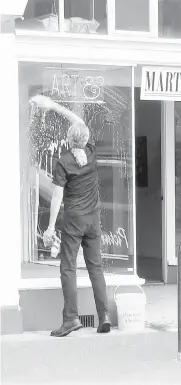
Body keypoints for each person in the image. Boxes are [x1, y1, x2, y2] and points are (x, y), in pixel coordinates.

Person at [30, 95, 111, 337]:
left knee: (68, 268)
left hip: (74, 220)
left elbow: (56, 198)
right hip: (93, 220)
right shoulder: (92, 152)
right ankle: (104, 315)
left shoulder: (63, 162)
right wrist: (55, 106)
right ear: (85, 139)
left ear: (68, 140)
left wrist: (49, 228)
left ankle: (71, 319)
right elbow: (78, 121)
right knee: (96, 268)